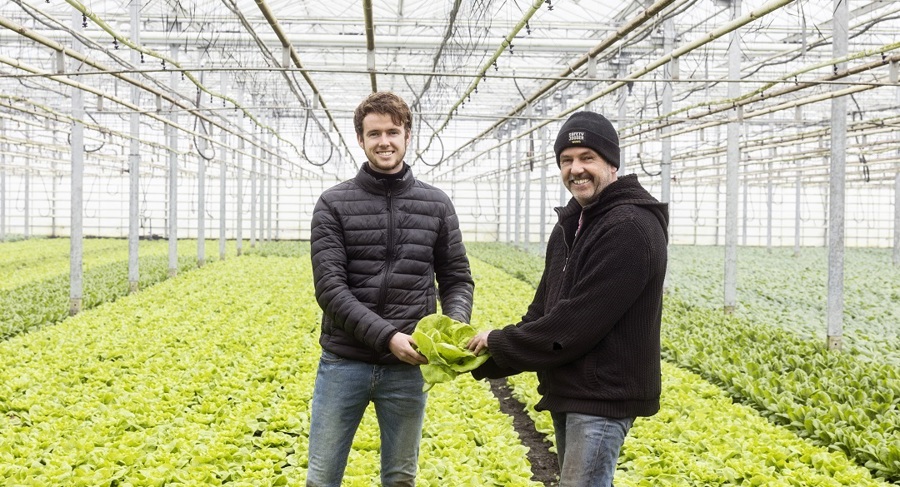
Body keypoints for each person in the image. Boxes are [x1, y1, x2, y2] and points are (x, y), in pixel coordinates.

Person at [466, 111, 668, 487]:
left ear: (611, 162)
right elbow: (544, 311)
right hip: (573, 388)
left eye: (587, 157)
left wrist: (499, 341)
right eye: (566, 160)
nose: (576, 169)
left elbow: (576, 322)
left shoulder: (630, 228)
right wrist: (474, 358)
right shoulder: (571, 226)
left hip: (604, 395)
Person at [306, 91, 474, 487]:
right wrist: (387, 337)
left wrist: (451, 330)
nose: (385, 141)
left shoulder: (436, 204)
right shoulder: (332, 203)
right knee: (322, 474)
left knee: (400, 477)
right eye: (375, 133)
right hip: (344, 362)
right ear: (361, 140)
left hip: (407, 368)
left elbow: (457, 278)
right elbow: (330, 289)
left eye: (393, 132)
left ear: (407, 136)